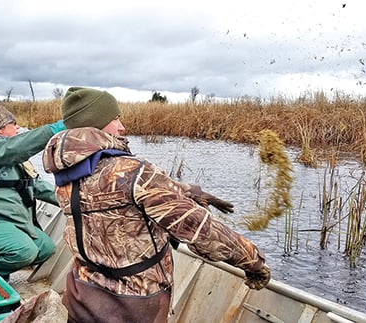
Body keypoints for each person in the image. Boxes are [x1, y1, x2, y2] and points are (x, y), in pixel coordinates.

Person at [42, 87, 271, 322]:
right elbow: (201, 231)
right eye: (115, 118)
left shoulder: (66, 174)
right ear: (95, 123)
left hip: (81, 297)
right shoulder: (134, 172)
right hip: (133, 307)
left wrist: (184, 191)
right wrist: (254, 262)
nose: (122, 127)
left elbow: (116, 191)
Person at [0, 105, 65, 280]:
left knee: (45, 249)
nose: (17, 128)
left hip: (13, 223)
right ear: (0, 129)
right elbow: (18, 147)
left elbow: (38, 186)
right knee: (24, 252)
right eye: (13, 124)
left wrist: (72, 201)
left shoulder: (14, 159)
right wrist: (54, 129)